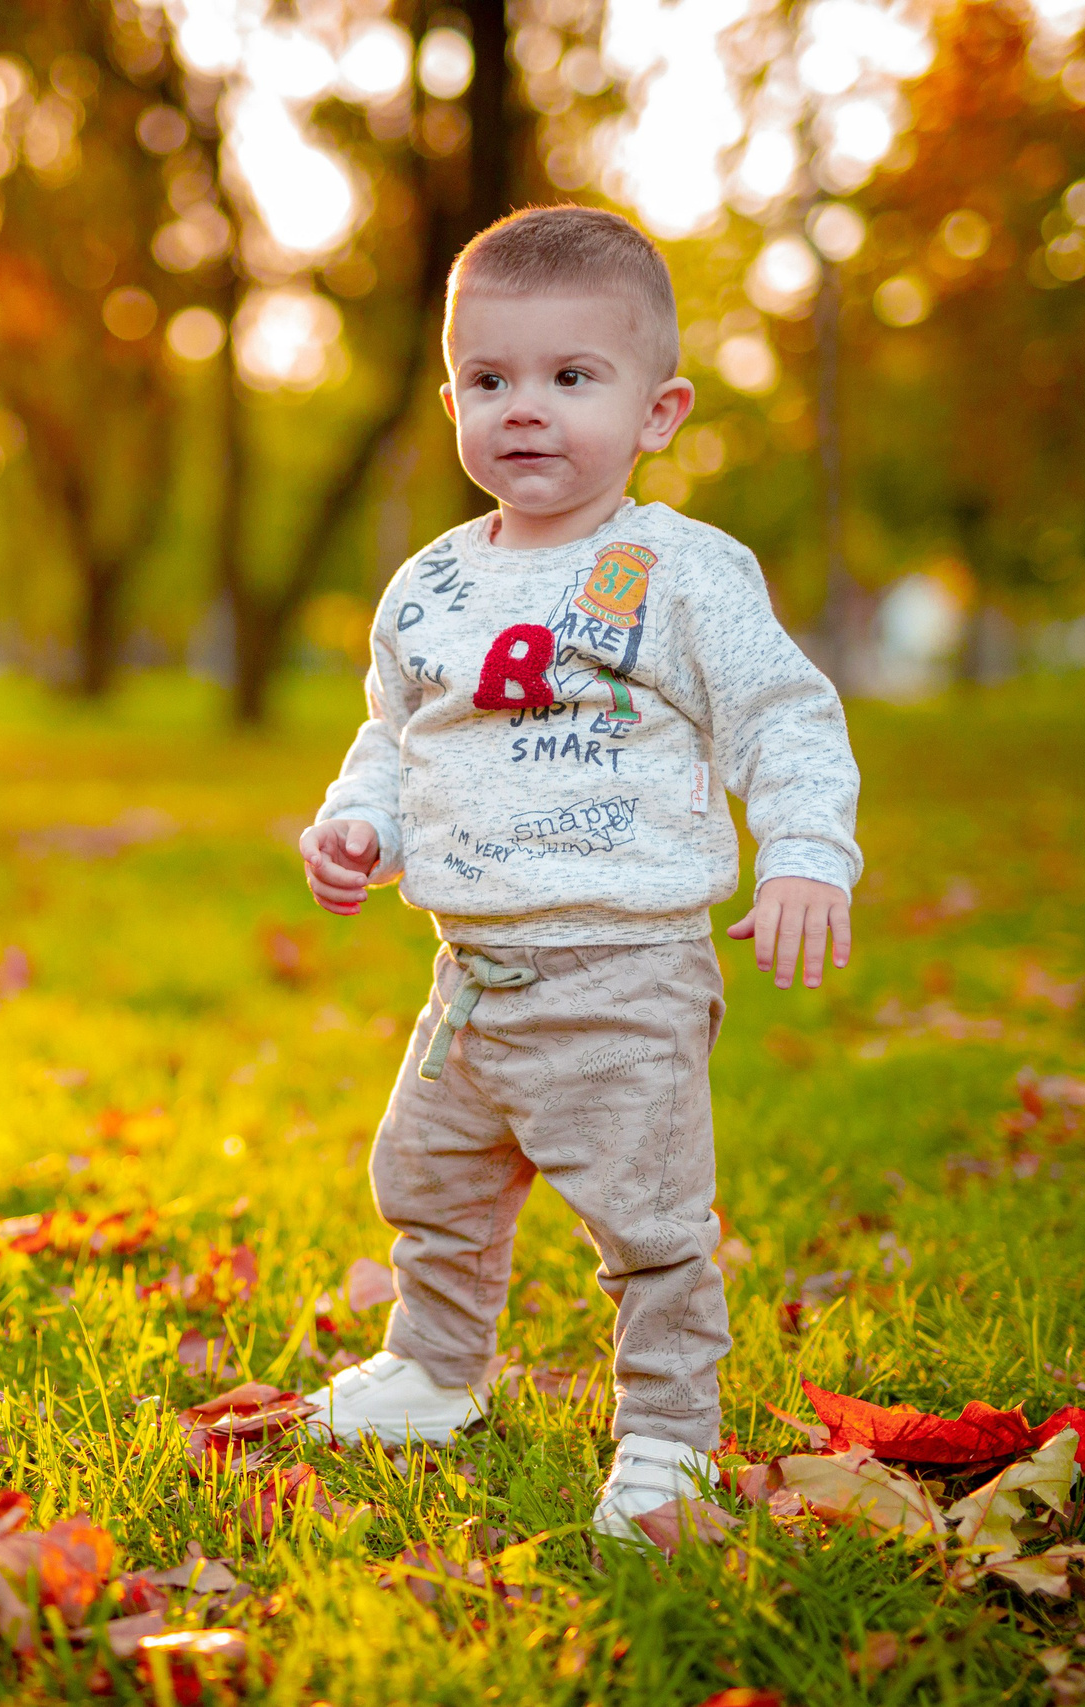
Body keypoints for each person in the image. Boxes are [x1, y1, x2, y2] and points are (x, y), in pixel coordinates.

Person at [295, 205, 862, 1545]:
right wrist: (356, 824)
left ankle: (669, 1441)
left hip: (625, 973)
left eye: (571, 378)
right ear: (451, 401)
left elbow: (783, 714)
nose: (526, 411)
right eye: (490, 382)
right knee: (426, 1180)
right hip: (473, 977)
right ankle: (436, 1370)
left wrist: (805, 855)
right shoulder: (428, 587)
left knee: (649, 1224)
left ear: (657, 412)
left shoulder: (683, 574)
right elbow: (395, 730)